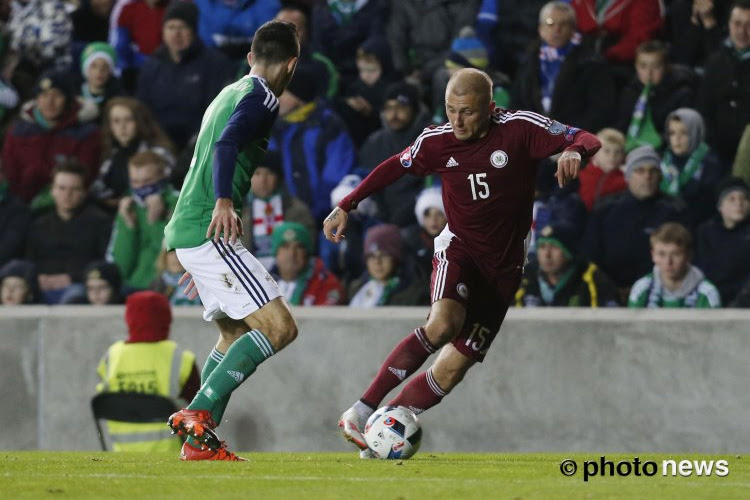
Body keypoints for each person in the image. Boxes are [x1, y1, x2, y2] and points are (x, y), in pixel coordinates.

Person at [323, 68, 601, 457]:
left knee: (453, 369)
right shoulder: (437, 141)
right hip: (460, 248)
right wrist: (346, 204)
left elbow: (586, 137)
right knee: (442, 325)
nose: (457, 120)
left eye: (467, 112)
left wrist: (572, 150)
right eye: (451, 110)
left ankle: (383, 431)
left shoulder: (520, 128)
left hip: (503, 268)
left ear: (490, 107)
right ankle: (360, 409)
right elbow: (393, 167)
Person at [162, 20, 301, 462]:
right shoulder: (262, 96)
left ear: (250, 57)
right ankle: (197, 415)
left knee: (234, 332)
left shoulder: (228, 91)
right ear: (291, 65)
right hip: (210, 227)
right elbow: (225, 146)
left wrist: (196, 256)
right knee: (280, 328)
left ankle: (197, 444)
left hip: (190, 230)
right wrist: (224, 201)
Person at [95, 291, 200, 451]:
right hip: (170, 453)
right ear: (166, 319)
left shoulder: (112, 355)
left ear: (129, 318)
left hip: (121, 453)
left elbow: (106, 401)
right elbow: (200, 411)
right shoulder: (180, 358)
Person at [582, 145, 687, 297]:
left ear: (660, 176)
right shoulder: (604, 210)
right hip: (610, 293)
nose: (647, 176)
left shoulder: (676, 211)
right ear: (628, 176)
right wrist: (610, 290)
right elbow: (591, 256)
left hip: (661, 293)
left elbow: (684, 256)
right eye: (640, 170)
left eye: (653, 171)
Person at [135, 0, 235, 149]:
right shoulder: (152, 65)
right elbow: (142, 109)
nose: (176, 34)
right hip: (158, 143)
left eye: (183, 27)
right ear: (163, 31)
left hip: (201, 144)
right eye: (171, 27)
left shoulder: (216, 63)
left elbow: (218, 113)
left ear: (194, 30)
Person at [511, 1, 616, 134]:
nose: (557, 29)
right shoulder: (529, 59)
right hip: (533, 136)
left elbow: (599, 111)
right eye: (550, 23)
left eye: (563, 24)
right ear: (541, 29)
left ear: (573, 29)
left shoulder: (592, 63)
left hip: (573, 139)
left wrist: (567, 136)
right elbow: (517, 103)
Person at [2, 69, 101, 203]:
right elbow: (10, 176)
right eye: (43, 95)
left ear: (68, 99)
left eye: (57, 95)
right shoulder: (18, 131)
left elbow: (85, 178)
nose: (49, 102)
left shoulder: (86, 134)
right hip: (20, 206)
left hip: (67, 206)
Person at [25, 162, 112, 304]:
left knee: (74, 297)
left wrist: (71, 278)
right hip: (40, 285)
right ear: (52, 190)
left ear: (84, 192)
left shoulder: (101, 222)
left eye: (74, 189)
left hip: (80, 286)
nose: (67, 195)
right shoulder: (38, 223)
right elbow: (29, 260)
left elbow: (104, 262)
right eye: (61, 188)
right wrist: (37, 278)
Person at [108, 151, 178, 293]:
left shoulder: (179, 203)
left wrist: (158, 221)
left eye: (147, 181)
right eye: (135, 182)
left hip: (168, 286)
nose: (141, 187)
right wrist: (128, 227)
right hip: (132, 285)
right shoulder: (128, 207)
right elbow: (121, 266)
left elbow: (175, 258)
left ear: (163, 176)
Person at [90, 96, 176, 211]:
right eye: (116, 121)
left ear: (140, 122)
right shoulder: (111, 155)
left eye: (128, 120)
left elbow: (164, 191)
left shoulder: (159, 154)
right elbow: (99, 190)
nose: (122, 127)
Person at [615, 40, 697, 152]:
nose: (649, 73)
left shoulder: (682, 93)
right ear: (636, 66)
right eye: (643, 66)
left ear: (667, 67)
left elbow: (682, 131)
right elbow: (621, 126)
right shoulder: (630, 92)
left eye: (656, 67)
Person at [241, 150, 315, 270]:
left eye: (269, 173)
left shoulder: (297, 210)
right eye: (257, 173)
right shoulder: (238, 211)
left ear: (279, 177)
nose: (263, 180)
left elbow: (307, 246)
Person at [515, 223, 619, 307]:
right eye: (542, 247)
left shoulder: (592, 279)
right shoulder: (525, 277)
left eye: (554, 247)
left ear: (568, 253)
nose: (547, 255)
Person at [697, 0, 750, 167]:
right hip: (717, 150)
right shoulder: (715, 62)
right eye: (737, 24)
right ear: (728, 25)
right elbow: (704, 107)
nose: (742, 31)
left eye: (749, 25)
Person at [628, 222, 721, 308]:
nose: (668, 262)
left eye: (676, 254)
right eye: (661, 254)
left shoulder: (707, 293)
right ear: (653, 255)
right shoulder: (642, 289)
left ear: (689, 256)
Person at [659, 107, 725, 226]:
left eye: (684, 133)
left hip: (696, 226)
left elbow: (708, 205)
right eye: (672, 133)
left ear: (696, 133)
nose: (677, 138)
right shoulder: (663, 160)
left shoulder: (710, 163)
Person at [695, 177, 750, 304]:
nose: (739, 203)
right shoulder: (705, 231)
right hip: (711, 298)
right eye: (732, 199)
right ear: (720, 206)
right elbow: (701, 268)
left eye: (745, 198)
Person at [270, 221, 345, 306]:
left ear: (307, 254)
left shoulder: (326, 283)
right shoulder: (262, 284)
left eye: (299, 247)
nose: (292, 254)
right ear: (276, 253)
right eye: (285, 247)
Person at [348, 224, 409, 307]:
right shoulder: (355, 289)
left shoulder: (414, 294)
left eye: (384, 255)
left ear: (396, 258)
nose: (377, 262)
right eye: (371, 256)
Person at [577, 128, 627, 211]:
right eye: (607, 151)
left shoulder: (625, 181)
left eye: (618, 152)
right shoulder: (581, 177)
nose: (612, 156)